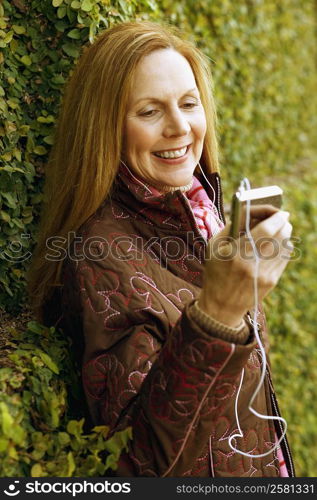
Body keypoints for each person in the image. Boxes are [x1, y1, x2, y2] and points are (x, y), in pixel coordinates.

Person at [28, 20, 295, 477]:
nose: (179, 127)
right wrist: (220, 314)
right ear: (106, 128)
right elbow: (139, 466)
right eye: (150, 111)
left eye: (189, 104)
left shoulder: (202, 211)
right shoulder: (99, 254)